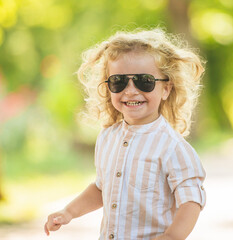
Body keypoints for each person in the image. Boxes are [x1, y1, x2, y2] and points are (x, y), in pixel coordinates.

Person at [44, 28, 206, 240]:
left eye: (144, 81)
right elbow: (101, 189)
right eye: (118, 81)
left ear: (166, 89)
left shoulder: (172, 146)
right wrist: (69, 212)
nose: (130, 90)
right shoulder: (107, 138)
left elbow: (191, 200)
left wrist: (172, 236)